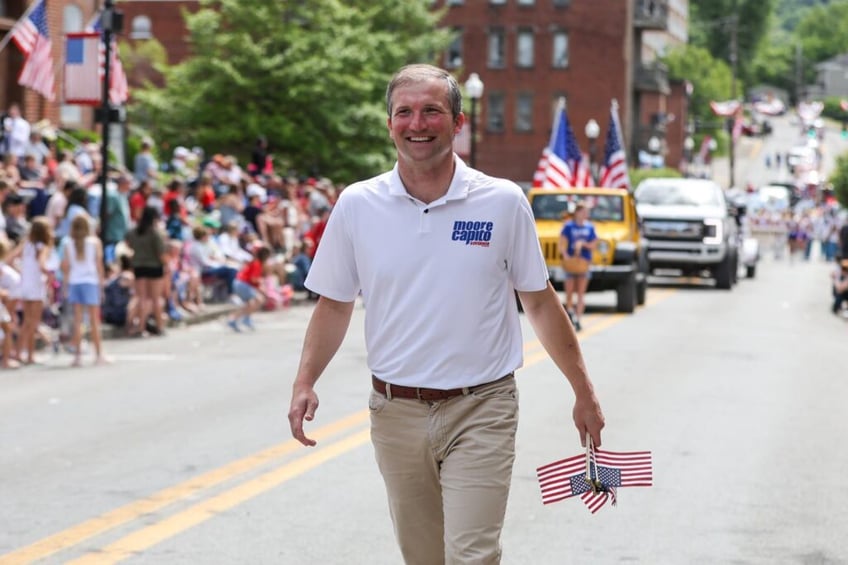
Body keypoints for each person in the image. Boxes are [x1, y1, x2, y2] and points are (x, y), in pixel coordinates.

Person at [286, 64, 605, 565]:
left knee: (471, 555)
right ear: (389, 124)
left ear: (457, 123)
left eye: (432, 110)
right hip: (395, 411)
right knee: (424, 558)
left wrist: (583, 391)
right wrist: (305, 380)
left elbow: (539, 302)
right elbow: (334, 303)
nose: (417, 123)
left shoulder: (501, 202)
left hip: (482, 406)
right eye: (405, 112)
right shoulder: (357, 204)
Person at [61, 215, 109, 366]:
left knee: (77, 321)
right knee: (94, 320)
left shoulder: (68, 243)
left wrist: (65, 286)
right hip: (90, 282)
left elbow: (66, 267)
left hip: (75, 282)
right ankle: (99, 354)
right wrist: (101, 286)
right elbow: (99, 266)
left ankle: (77, 357)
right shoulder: (94, 242)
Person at [10, 216, 54, 364]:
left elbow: (10, 259)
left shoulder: (26, 244)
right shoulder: (42, 246)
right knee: (32, 322)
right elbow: (42, 265)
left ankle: (29, 355)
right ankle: (20, 353)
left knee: (27, 322)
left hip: (25, 285)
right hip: (36, 286)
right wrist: (49, 274)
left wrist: (22, 271)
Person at [125, 206, 167, 337]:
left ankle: (141, 327)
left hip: (139, 266)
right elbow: (161, 254)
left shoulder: (134, 232)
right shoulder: (155, 233)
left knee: (141, 298)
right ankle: (160, 326)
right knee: (155, 298)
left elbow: (128, 243)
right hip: (154, 267)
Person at [559, 202, 597, 332]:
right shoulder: (569, 226)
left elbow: (594, 244)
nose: (585, 214)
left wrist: (583, 244)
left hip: (584, 262)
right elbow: (562, 243)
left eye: (586, 212)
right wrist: (565, 255)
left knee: (581, 293)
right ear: (577, 212)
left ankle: (578, 318)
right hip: (571, 262)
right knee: (569, 292)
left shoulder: (589, 227)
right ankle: (570, 314)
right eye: (583, 211)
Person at [227, 244, 271, 331]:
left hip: (239, 283)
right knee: (259, 300)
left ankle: (241, 319)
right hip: (242, 284)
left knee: (250, 304)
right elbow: (253, 279)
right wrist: (261, 283)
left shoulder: (255, 262)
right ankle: (238, 318)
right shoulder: (257, 263)